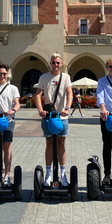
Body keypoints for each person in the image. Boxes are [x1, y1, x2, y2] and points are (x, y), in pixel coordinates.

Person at [35, 53, 73, 186]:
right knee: (49, 143)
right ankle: (49, 174)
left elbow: (69, 93)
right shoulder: (44, 77)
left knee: (61, 143)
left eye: (58, 62)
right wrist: (40, 110)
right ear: (50, 63)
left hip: (62, 116)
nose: (55, 65)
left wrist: (67, 108)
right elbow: (38, 94)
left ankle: (63, 174)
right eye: (53, 62)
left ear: (61, 64)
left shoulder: (66, 77)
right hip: (49, 116)